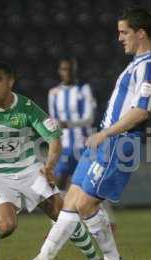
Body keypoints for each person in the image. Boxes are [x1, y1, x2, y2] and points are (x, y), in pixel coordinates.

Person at [4, 7, 151, 260]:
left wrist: (107, 134)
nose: (119, 38)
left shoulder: (149, 66)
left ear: (140, 33)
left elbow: (142, 111)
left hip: (119, 142)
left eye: (124, 32)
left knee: (82, 204)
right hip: (105, 140)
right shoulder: (141, 66)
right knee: (74, 200)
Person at [0, 62, 101, 260]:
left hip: (29, 170)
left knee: (63, 213)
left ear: (10, 81)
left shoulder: (27, 108)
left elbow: (54, 139)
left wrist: (49, 166)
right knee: (7, 226)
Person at [48, 56, 117, 232]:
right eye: (64, 69)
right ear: (59, 71)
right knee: (58, 184)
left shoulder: (84, 90)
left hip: (84, 145)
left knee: (91, 183)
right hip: (64, 146)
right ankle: (57, 226)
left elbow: (89, 117)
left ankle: (110, 220)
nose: (67, 72)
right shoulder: (54, 93)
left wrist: (68, 124)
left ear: (75, 70)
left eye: (70, 69)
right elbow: (52, 119)